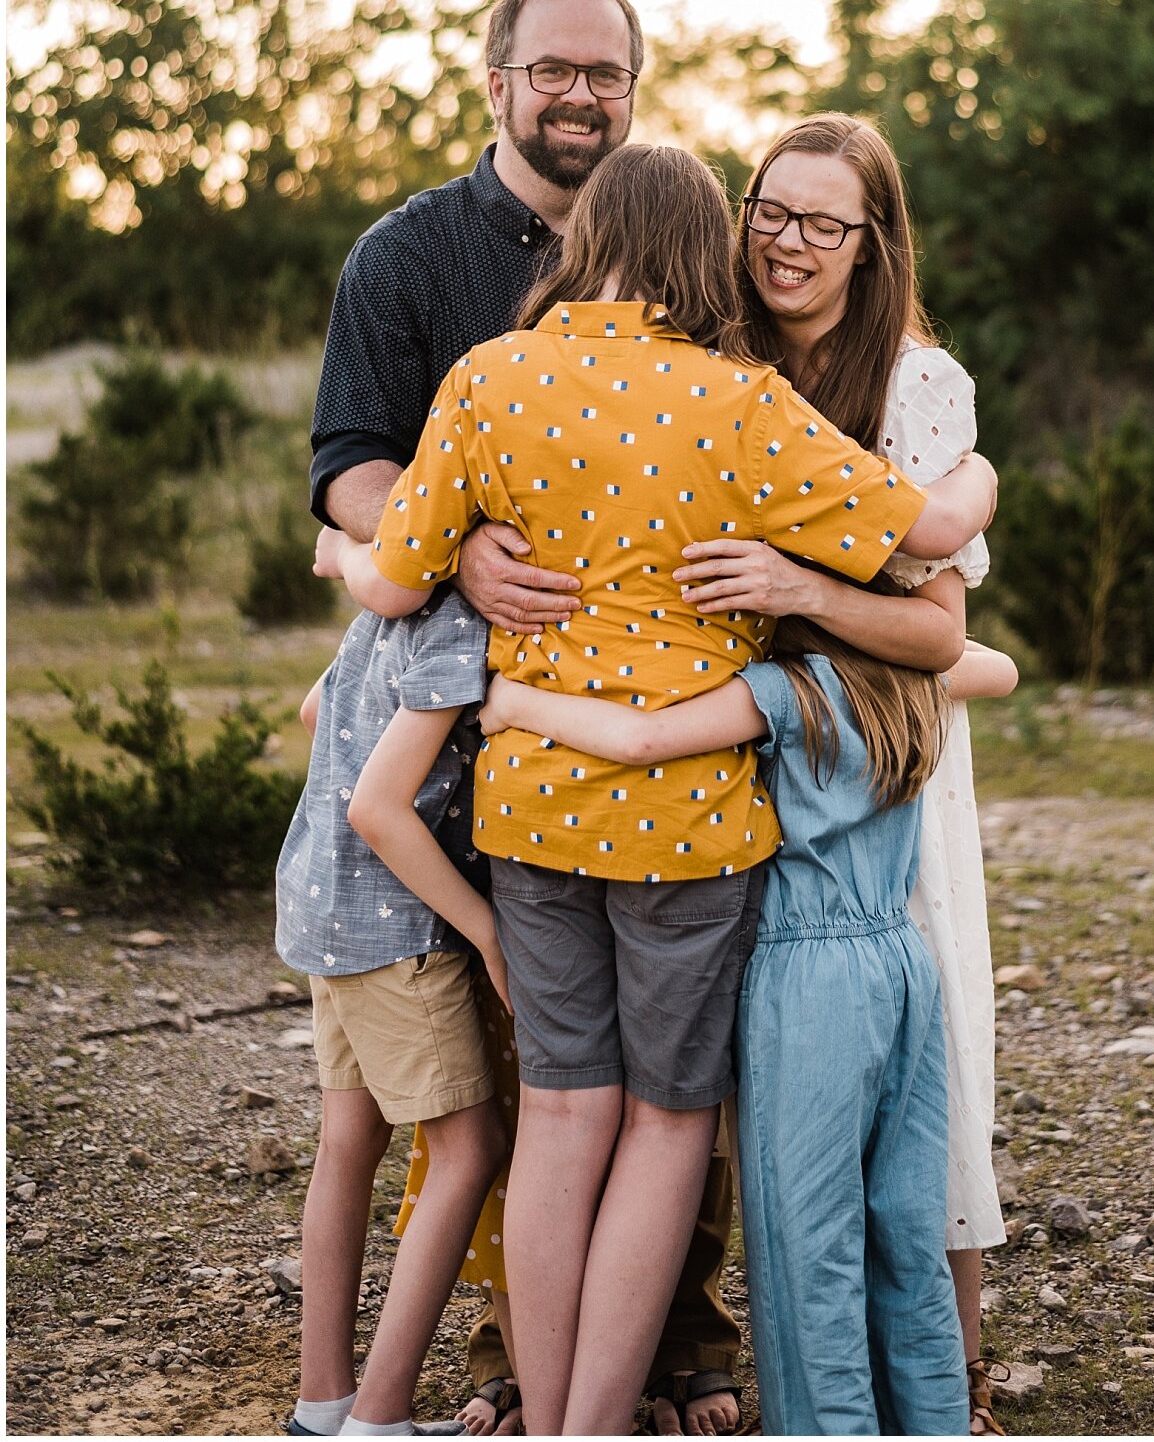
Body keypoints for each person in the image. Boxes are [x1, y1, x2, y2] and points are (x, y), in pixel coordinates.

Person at [316, 142, 996, 1437]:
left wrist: (360, 550)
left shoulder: (488, 381)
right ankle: (591, 1425)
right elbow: (925, 536)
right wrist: (979, 483)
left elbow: (396, 582)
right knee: (670, 1130)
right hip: (691, 828)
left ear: (591, 240)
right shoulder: (740, 403)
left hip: (530, 813)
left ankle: (554, 1410)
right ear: (705, 250)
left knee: (562, 1122)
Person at [311, 0, 746, 1434]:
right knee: (535, 1049)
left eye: (606, 75)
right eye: (553, 70)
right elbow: (352, 467)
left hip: (670, 715)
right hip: (478, 716)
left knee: (672, 1056)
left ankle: (677, 1329)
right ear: (495, 79)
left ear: (635, 89)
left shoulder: (696, 263)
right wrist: (458, 547)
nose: (580, 96)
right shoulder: (411, 256)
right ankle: (525, 1358)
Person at [662, 114, 1015, 1434]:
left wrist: (802, 583)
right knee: (752, 1087)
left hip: (876, 763)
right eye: (769, 208)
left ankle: (944, 1374)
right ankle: (721, 1355)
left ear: (876, 244)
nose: (787, 241)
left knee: (924, 1067)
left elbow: (940, 635)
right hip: (728, 741)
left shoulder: (918, 384)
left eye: (823, 221)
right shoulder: (712, 364)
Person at [479, 609, 1017, 1435]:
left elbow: (643, 740)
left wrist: (519, 703)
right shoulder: (911, 683)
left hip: (809, 982)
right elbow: (998, 667)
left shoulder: (783, 691)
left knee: (810, 1239)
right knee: (906, 1222)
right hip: (903, 965)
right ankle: (934, 1417)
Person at [274, 588, 508, 1439]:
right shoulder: (460, 622)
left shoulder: (391, 603)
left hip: (320, 907)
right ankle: (379, 1417)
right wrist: (484, 929)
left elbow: (313, 710)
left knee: (348, 1144)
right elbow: (379, 809)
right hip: (397, 927)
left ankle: (322, 1403)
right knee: (469, 1148)